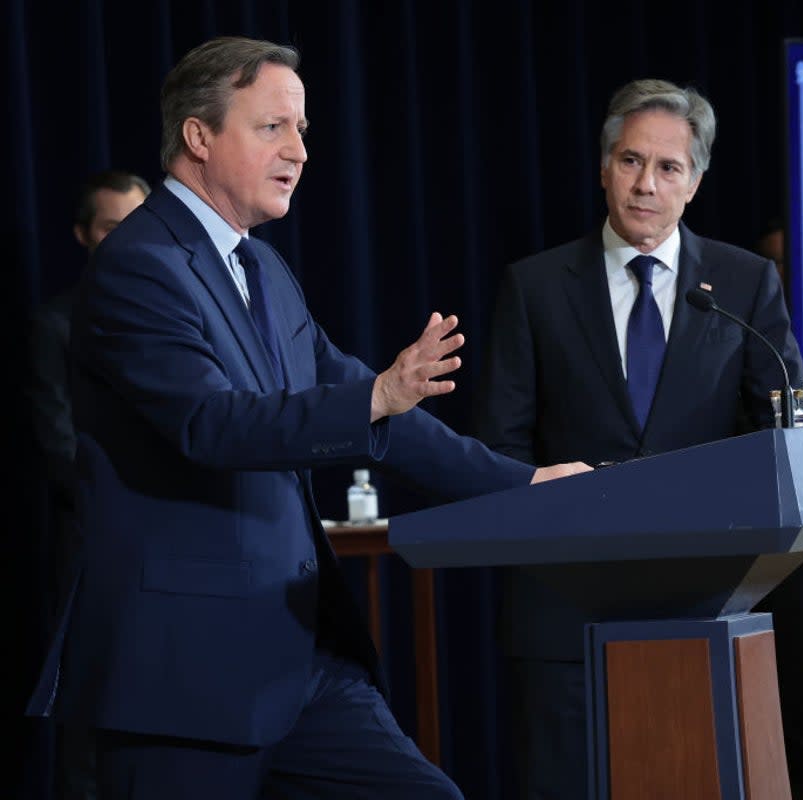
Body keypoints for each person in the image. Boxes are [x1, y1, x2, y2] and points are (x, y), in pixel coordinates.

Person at [24, 35, 589, 800]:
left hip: (300, 662)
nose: (299, 150)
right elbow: (213, 425)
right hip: (186, 677)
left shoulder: (261, 266)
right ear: (198, 135)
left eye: (303, 131)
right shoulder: (137, 265)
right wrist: (375, 398)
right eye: (272, 128)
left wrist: (523, 483)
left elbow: (365, 402)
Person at [475, 78, 803, 799]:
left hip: (706, 599)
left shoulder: (744, 284)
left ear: (695, 181)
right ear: (603, 168)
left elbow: (779, 431)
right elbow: (501, 443)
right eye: (630, 162)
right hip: (567, 605)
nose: (645, 185)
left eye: (668, 168)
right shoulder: (534, 287)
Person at [23, 168, 150, 800]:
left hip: (177, 555)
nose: (126, 239)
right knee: (88, 732)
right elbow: (59, 445)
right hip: (93, 549)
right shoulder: (54, 325)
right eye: (110, 227)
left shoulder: (174, 315)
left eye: (137, 225)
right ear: (83, 235)